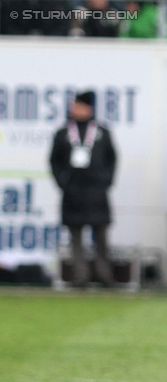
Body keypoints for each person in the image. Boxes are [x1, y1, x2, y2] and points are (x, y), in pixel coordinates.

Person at [49, 90, 117, 288]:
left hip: (97, 192)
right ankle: (81, 276)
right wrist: (63, 182)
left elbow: (112, 159)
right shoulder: (63, 133)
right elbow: (55, 160)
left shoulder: (102, 132)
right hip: (73, 192)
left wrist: (106, 181)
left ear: (88, 108)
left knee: (101, 236)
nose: (74, 109)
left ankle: (104, 274)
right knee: (76, 236)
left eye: (78, 106)